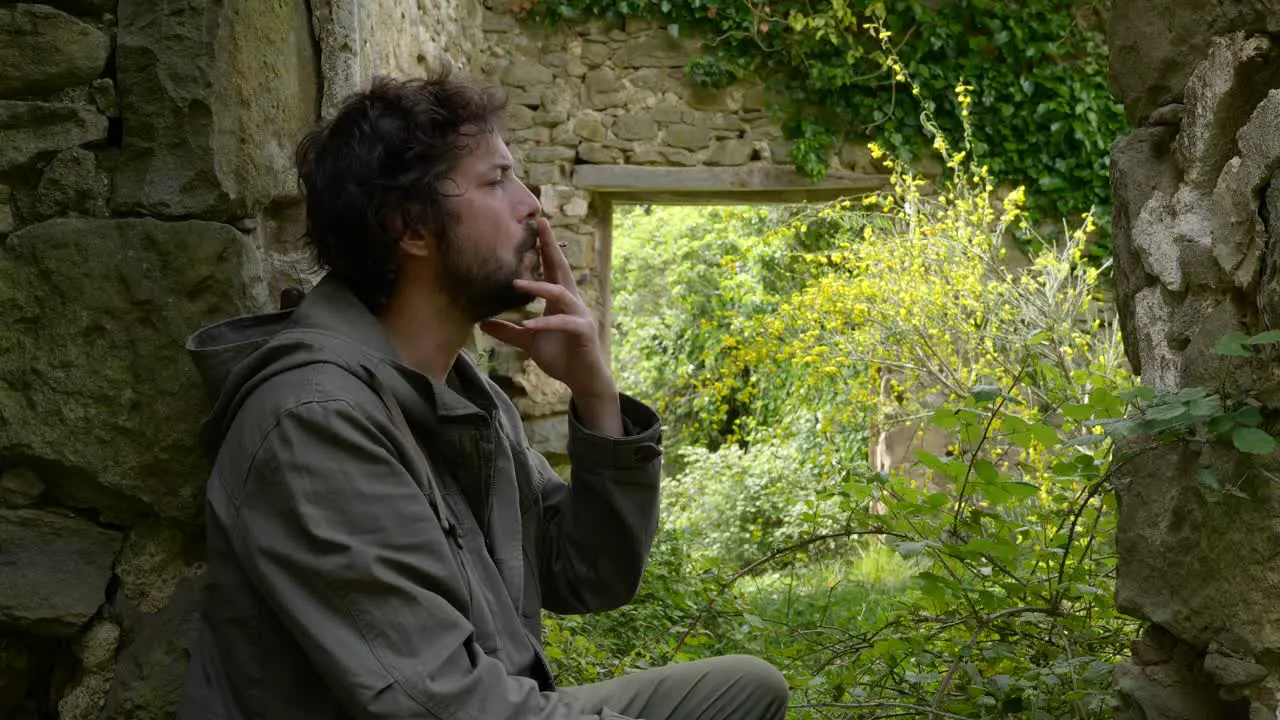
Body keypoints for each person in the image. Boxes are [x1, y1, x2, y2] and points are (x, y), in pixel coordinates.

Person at [177, 72, 790, 720]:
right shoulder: (316, 422)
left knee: (747, 690)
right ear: (411, 227)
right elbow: (443, 705)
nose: (532, 206)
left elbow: (586, 573)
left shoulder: (465, 395)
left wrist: (595, 393)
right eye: (497, 181)